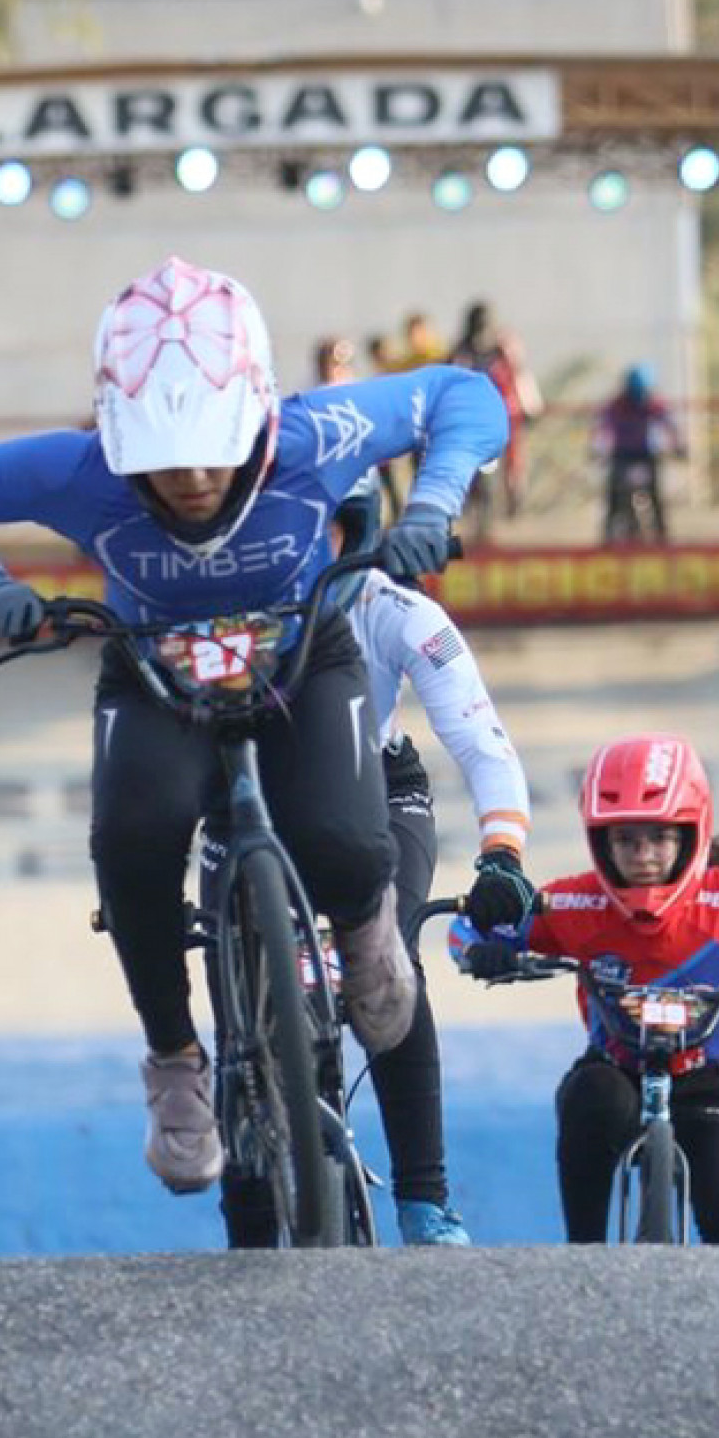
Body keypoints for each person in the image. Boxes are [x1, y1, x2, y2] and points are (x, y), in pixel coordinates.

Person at [0, 255, 509, 1196]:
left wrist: (431, 502)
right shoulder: (80, 469)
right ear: (115, 435)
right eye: (159, 461)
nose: (187, 480)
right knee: (132, 844)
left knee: (343, 838)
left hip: (303, 657)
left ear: (255, 417)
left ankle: (369, 937)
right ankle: (176, 1065)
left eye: (212, 453)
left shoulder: (318, 432)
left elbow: (464, 396)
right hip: (151, 670)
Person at [214, 500, 536, 1248]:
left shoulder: (402, 613)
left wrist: (502, 854)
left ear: (351, 532)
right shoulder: (224, 604)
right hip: (252, 795)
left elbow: (484, 746)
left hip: (380, 790)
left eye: (316, 529)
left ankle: (424, 1200)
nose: (296, 547)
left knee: (390, 954)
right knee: (236, 974)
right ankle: (251, 1212)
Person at [452, 734, 719, 1244]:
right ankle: (582, 1256)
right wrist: (482, 954)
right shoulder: (570, 903)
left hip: (707, 1079)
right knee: (592, 1096)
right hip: (614, 1071)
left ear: (690, 837)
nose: (642, 855)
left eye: (659, 838)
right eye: (625, 841)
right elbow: (469, 927)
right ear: (601, 842)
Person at [449, 301, 543, 523]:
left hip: (506, 411)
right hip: (475, 415)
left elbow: (520, 375)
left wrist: (530, 403)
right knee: (473, 461)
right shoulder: (462, 351)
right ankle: (476, 502)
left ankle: (514, 495)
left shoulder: (504, 347)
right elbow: (454, 378)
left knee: (513, 458)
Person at [591, 364, 685, 542]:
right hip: (622, 455)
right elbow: (601, 429)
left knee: (655, 495)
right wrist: (596, 449)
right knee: (614, 496)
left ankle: (661, 537)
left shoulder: (654, 404)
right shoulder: (616, 406)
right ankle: (608, 538)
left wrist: (678, 446)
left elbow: (669, 425)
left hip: (646, 455)